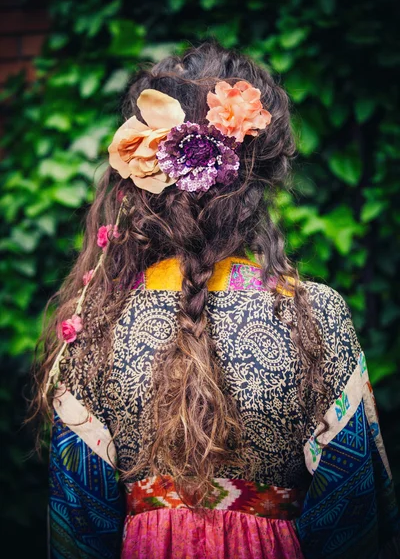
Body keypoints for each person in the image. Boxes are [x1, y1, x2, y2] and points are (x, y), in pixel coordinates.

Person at [34, 41, 399, 558]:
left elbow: (78, 526)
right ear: (261, 178)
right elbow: (352, 518)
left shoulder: (94, 323)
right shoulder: (315, 313)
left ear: (143, 175)